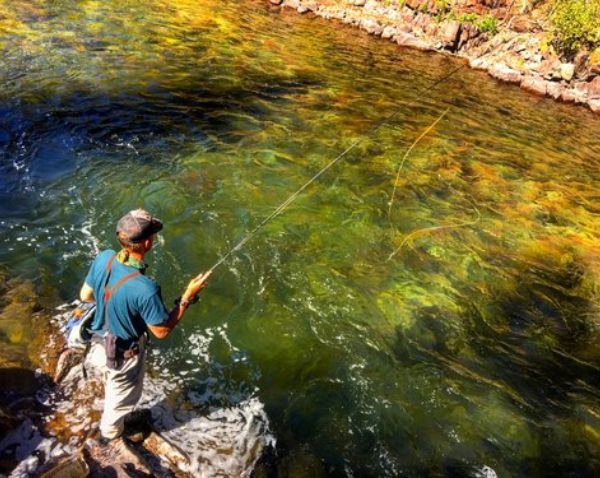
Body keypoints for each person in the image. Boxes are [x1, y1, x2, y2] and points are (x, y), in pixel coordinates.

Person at [79, 208, 211, 441]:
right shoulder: (146, 288)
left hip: (97, 343)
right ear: (148, 242)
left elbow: (85, 295)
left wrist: (118, 307)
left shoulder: (104, 257)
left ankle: (112, 413)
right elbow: (161, 331)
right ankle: (110, 436)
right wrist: (187, 297)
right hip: (121, 358)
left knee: (111, 386)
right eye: (154, 235)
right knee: (118, 403)